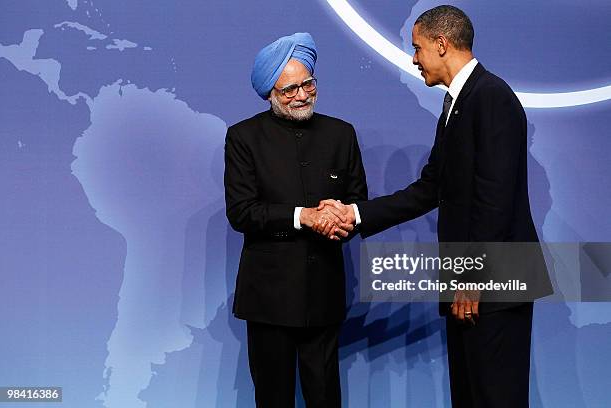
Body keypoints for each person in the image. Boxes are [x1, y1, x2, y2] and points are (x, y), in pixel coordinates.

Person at [318, 6, 552, 407]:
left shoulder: (491, 97)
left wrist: (471, 279)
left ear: (441, 45)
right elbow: (430, 189)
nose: (413, 58)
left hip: (495, 284)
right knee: (470, 395)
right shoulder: (457, 104)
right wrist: (355, 214)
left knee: (496, 397)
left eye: (418, 48)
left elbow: (494, 199)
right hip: (477, 283)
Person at [224, 32, 368, 407]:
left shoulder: (342, 134)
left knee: (326, 399)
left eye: (308, 84)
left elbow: (358, 204)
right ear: (270, 92)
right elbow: (242, 211)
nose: (301, 95)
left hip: (324, 295)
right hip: (269, 300)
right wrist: (304, 217)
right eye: (289, 90)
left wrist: (338, 221)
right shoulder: (243, 138)